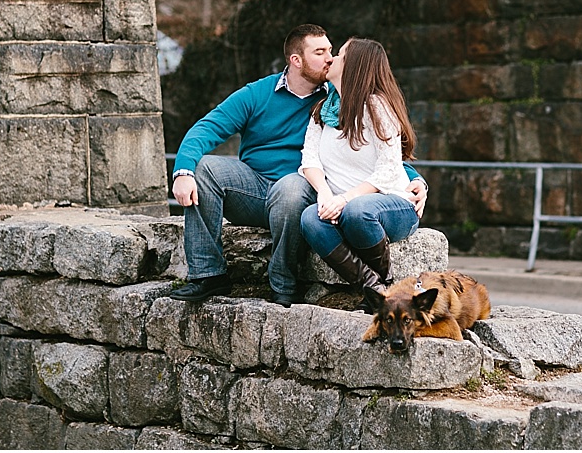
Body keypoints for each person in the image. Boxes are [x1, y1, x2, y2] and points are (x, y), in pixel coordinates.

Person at [169, 24, 428, 306]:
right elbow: (206, 128)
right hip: (256, 188)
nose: (330, 58)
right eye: (320, 52)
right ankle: (208, 275)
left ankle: (283, 284)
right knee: (205, 168)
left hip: (302, 189)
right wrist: (183, 170)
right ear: (296, 60)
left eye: (332, 51)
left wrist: (415, 180)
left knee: (290, 188)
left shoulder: (335, 97)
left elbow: (381, 151)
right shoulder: (258, 93)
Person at [298, 37, 420, 308]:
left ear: (354, 65)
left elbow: (389, 169)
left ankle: (387, 279)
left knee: (358, 211)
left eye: (339, 55)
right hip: (345, 204)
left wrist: (344, 199)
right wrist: (326, 194)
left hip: (392, 204)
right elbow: (309, 159)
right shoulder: (323, 110)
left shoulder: (376, 106)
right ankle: (373, 288)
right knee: (310, 218)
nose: (332, 59)